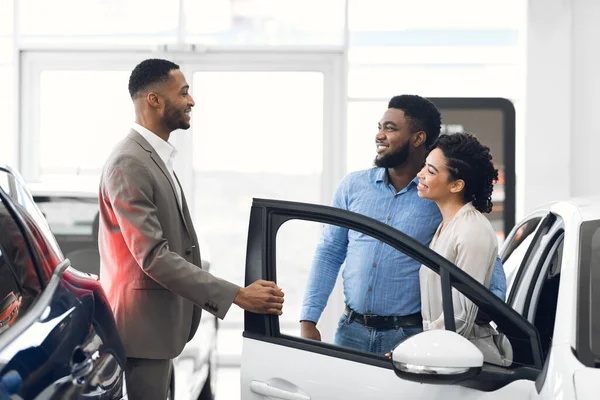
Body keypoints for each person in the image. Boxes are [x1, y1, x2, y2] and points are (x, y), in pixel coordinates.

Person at [98, 58, 285, 400]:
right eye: (183, 92)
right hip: (141, 335)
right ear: (154, 100)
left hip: (159, 332)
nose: (192, 101)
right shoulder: (130, 161)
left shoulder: (153, 158)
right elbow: (153, 257)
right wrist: (238, 295)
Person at [300, 95, 506, 355]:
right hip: (350, 332)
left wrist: (476, 327)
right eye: (379, 127)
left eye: (390, 128)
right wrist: (308, 320)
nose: (379, 135)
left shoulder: (439, 197)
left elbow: (489, 275)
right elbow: (329, 253)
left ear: (418, 138)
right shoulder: (352, 187)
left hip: (410, 336)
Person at [416, 132, 509, 365]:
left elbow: (459, 318)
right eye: (424, 167)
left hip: (469, 364)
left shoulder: (472, 229)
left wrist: (419, 350)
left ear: (456, 185)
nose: (421, 174)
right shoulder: (447, 226)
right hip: (445, 355)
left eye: (431, 171)